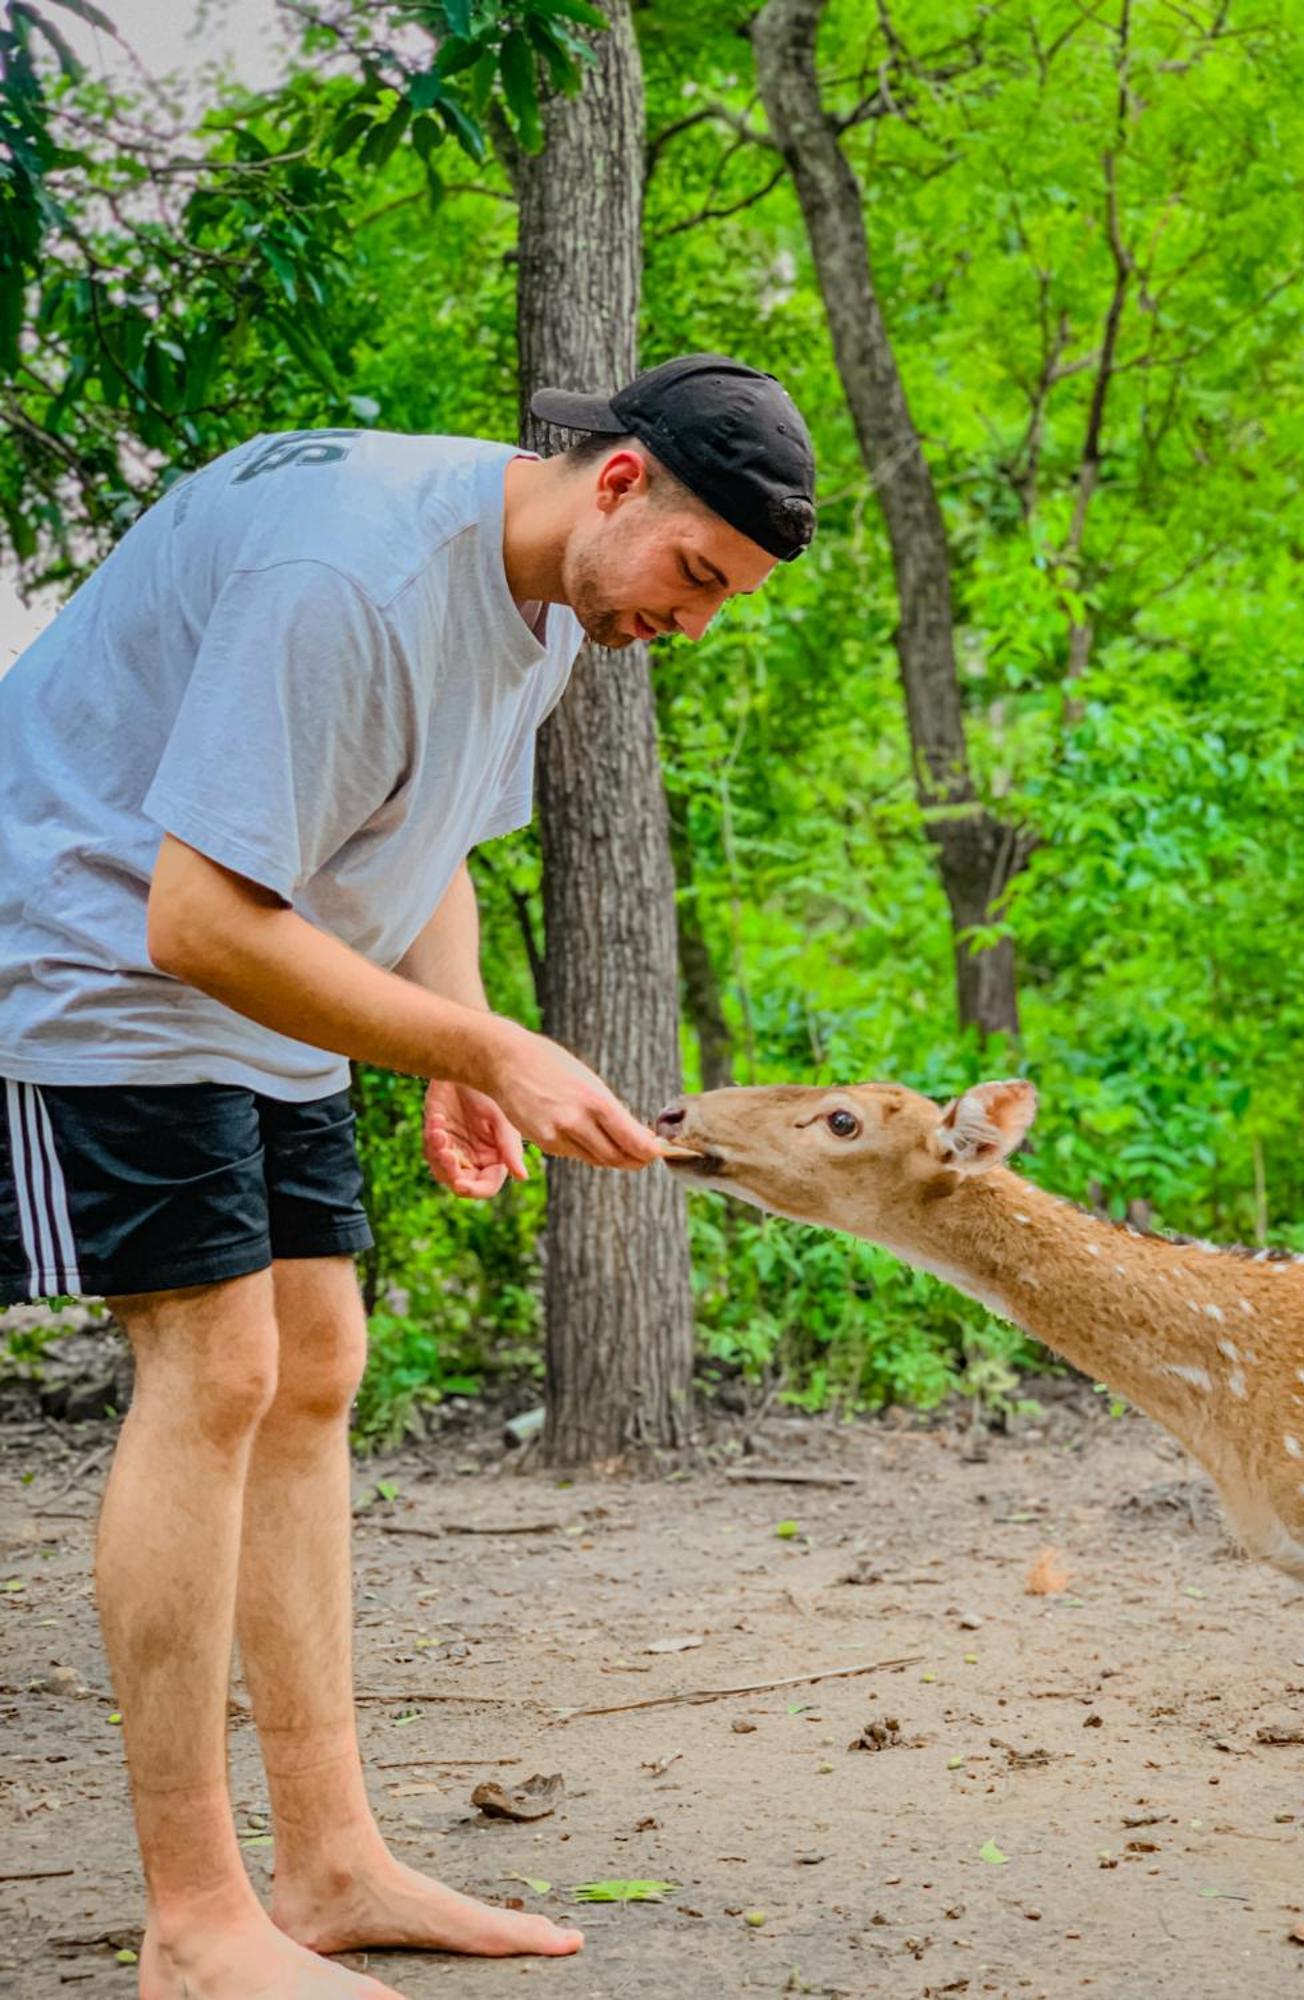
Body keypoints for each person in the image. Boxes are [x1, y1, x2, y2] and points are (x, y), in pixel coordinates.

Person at [0, 354, 815, 1999]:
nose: (694, 619)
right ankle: (194, 1927)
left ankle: (332, 1865)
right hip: (94, 942)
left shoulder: (548, 601)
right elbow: (192, 919)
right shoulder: (351, 573)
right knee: (213, 1364)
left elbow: (424, 834)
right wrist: (491, 1056)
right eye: (698, 573)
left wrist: (460, 1034)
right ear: (617, 483)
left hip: (265, 954)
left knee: (315, 1366)